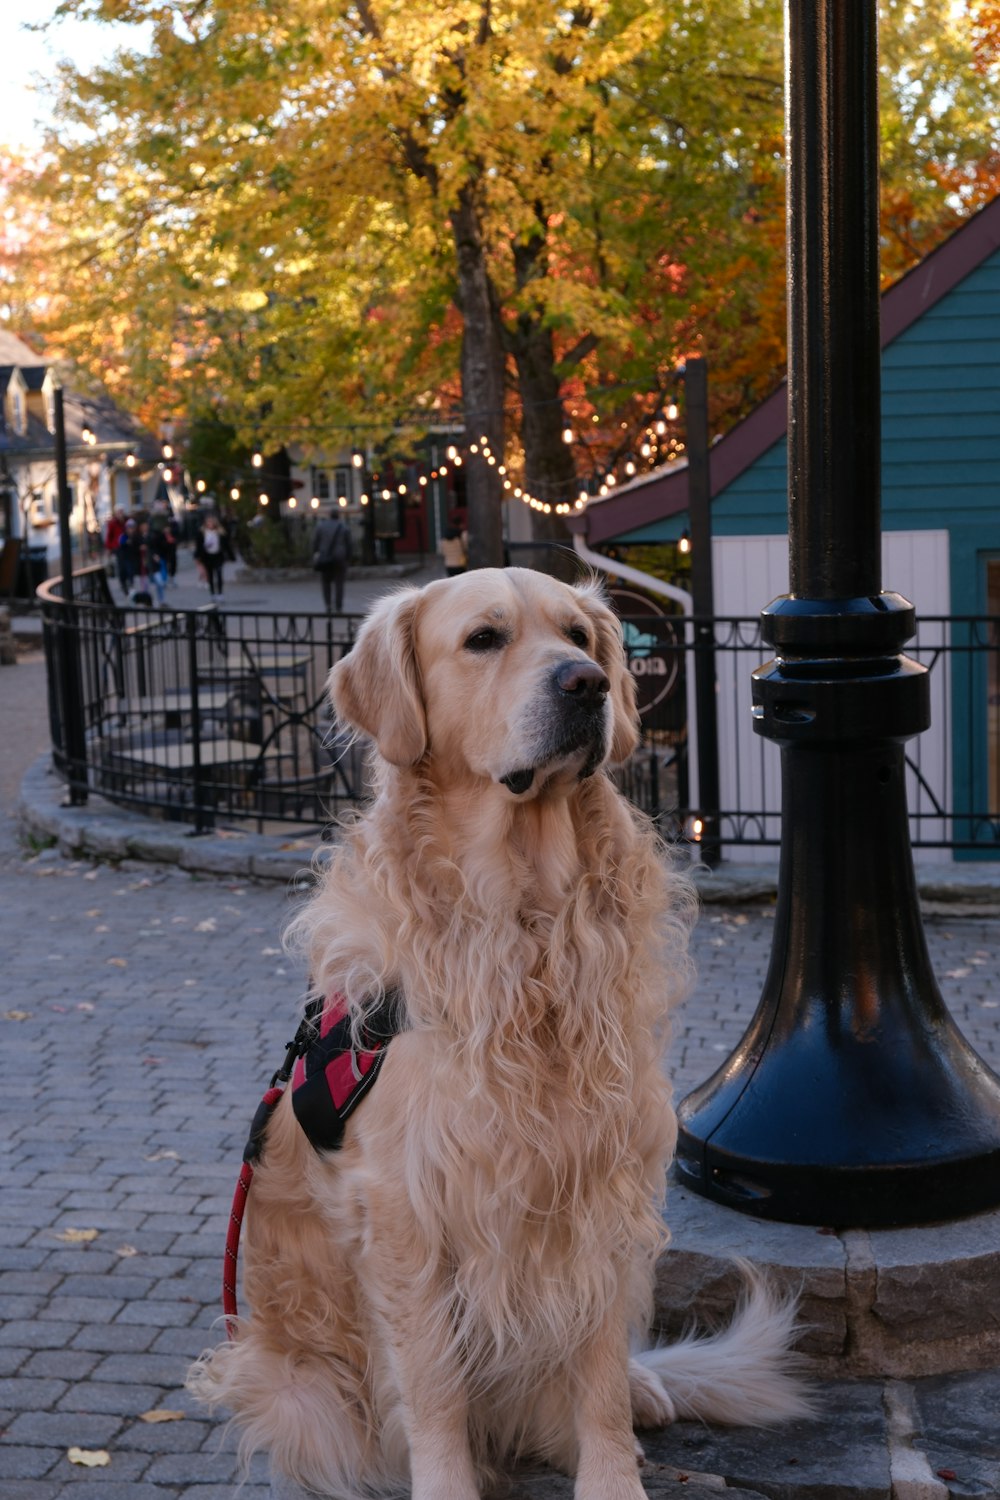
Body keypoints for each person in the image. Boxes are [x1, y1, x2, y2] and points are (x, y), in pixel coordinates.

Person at [312, 506, 353, 613]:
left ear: (329, 515)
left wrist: (316, 553)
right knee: (339, 583)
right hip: (340, 558)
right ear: (338, 515)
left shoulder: (321, 526)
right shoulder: (343, 526)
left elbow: (315, 542)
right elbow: (349, 544)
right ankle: (339, 607)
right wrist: (348, 557)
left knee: (325, 583)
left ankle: (328, 605)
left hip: (325, 557)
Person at [195, 513, 233, 597]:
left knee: (219, 574)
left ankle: (220, 593)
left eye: (212, 522)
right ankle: (212, 593)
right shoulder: (202, 533)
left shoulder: (220, 532)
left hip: (218, 555)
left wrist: (231, 556)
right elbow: (198, 545)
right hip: (207, 556)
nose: (210, 524)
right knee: (210, 575)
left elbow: (226, 545)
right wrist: (197, 556)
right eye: (208, 522)